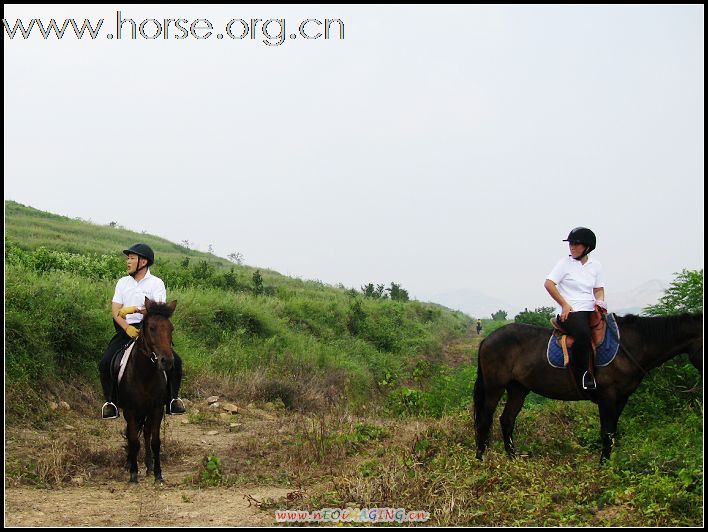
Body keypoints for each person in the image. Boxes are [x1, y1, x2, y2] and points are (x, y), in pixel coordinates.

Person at [98, 243, 186, 419]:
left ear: (143, 261)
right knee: (105, 362)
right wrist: (126, 327)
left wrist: (135, 310)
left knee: (175, 362)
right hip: (126, 330)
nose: (128, 262)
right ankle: (111, 402)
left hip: (150, 330)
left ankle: (172, 400)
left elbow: (157, 311)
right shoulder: (122, 283)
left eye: (131, 258)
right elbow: (116, 311)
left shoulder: (156, 283)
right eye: (128, 258)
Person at [544, 227, 606, 390]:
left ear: (587, 247)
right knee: (583, 334)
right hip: (570, 311)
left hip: (590, 309)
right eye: (570, 243)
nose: (572, 246)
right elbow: (549, 284)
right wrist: (564, 304)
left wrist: (600, 302)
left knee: (610, 329)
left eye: (576, 244)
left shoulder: (596, 266)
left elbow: (598, 289)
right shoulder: (565, 263)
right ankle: (583, 375)